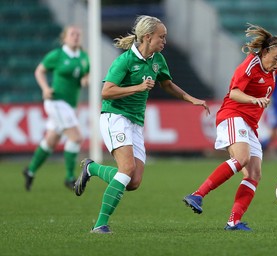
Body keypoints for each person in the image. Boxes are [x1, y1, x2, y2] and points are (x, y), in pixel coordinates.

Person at [74, 15, 210, 234]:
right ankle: (100, 225)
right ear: (147, 37)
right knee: (126, 169)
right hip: (115, 116)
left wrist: (190, 98)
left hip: (136, 122)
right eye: (161, 37)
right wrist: (136, 88)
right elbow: (106, 91)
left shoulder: (158, 60)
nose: (165, 41)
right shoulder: (125, 60)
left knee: (133, 182)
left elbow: (167, 84)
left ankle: (92, 168)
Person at [183, 23, 277, 231]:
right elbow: (233, 93)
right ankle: (197, 195)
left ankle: (233, 222)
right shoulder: (250, 65)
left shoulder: (273, 69)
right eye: (276, 58)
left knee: (254, 174)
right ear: (265, 51)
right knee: (241, 159)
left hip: (249, 124)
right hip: (233, 116)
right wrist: (254, 99)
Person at [23, 25, 90, 191]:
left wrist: (85, 80)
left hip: (70, 105)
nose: (76, 37)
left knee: (51, 141)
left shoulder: (83, 56)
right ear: (65, 38)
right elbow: (39, 71)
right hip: (56, 102)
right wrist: (45, 88)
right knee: (76, 138)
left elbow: (85, 73)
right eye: (72, 34)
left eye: (78, 34)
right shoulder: (57, 55)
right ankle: (69, 177)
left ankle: (30, 171)